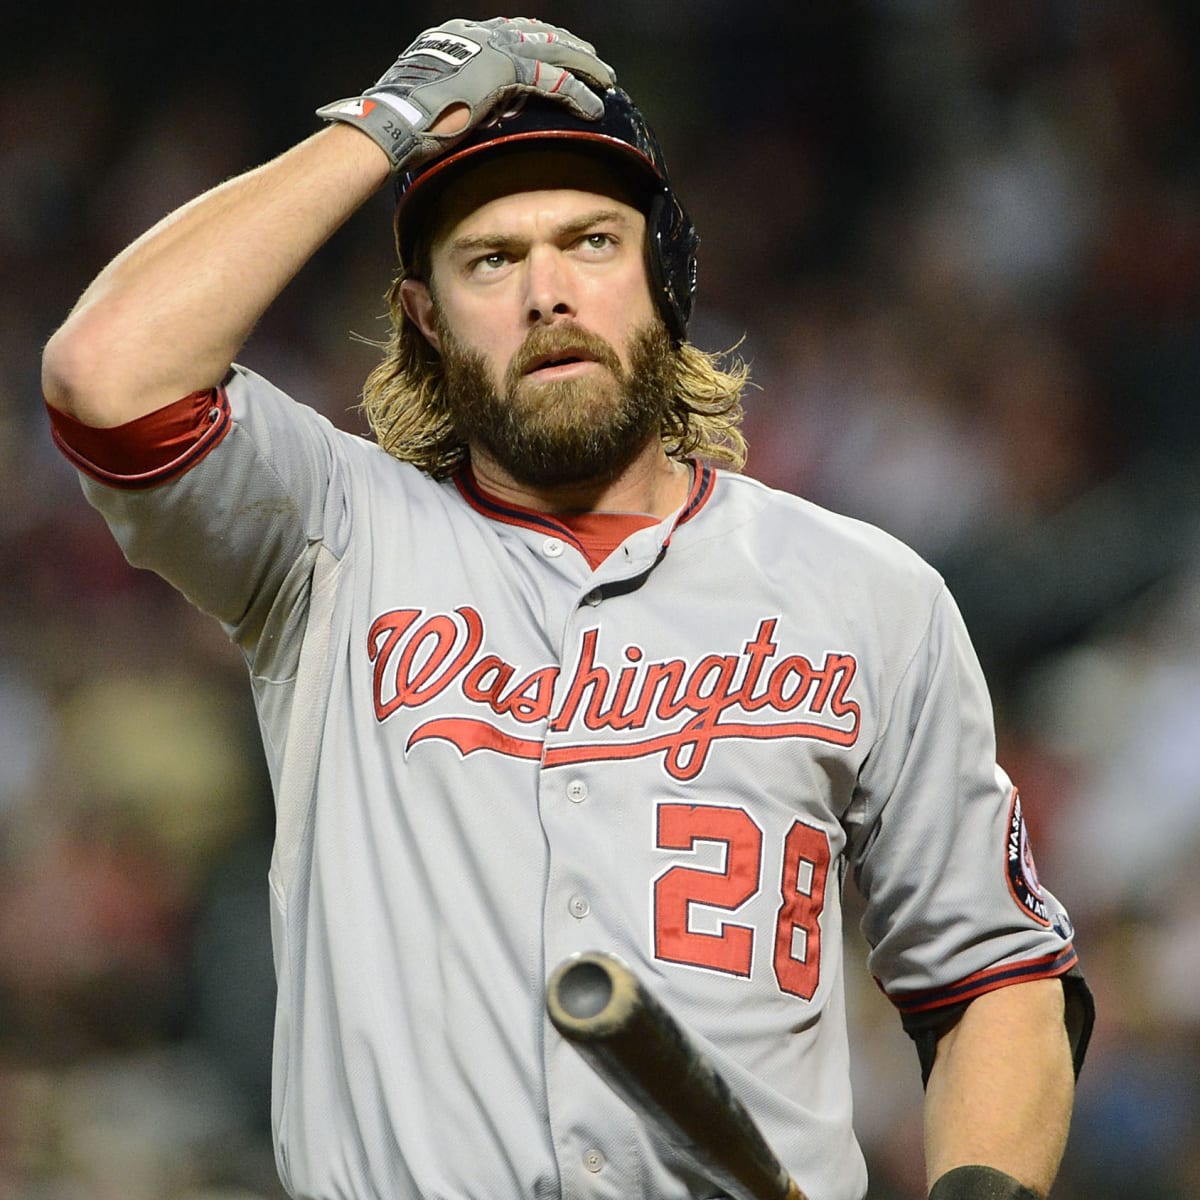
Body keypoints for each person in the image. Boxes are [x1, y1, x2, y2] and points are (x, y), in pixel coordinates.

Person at [41, 17, 1093, 1200]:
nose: (547, 293)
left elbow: (994, 977)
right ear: (426, 319)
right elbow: (108, 379)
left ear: (663, 281)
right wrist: (382, 127)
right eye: (490, 259)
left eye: (591, 242)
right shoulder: (329, 532)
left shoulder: (865, 593)